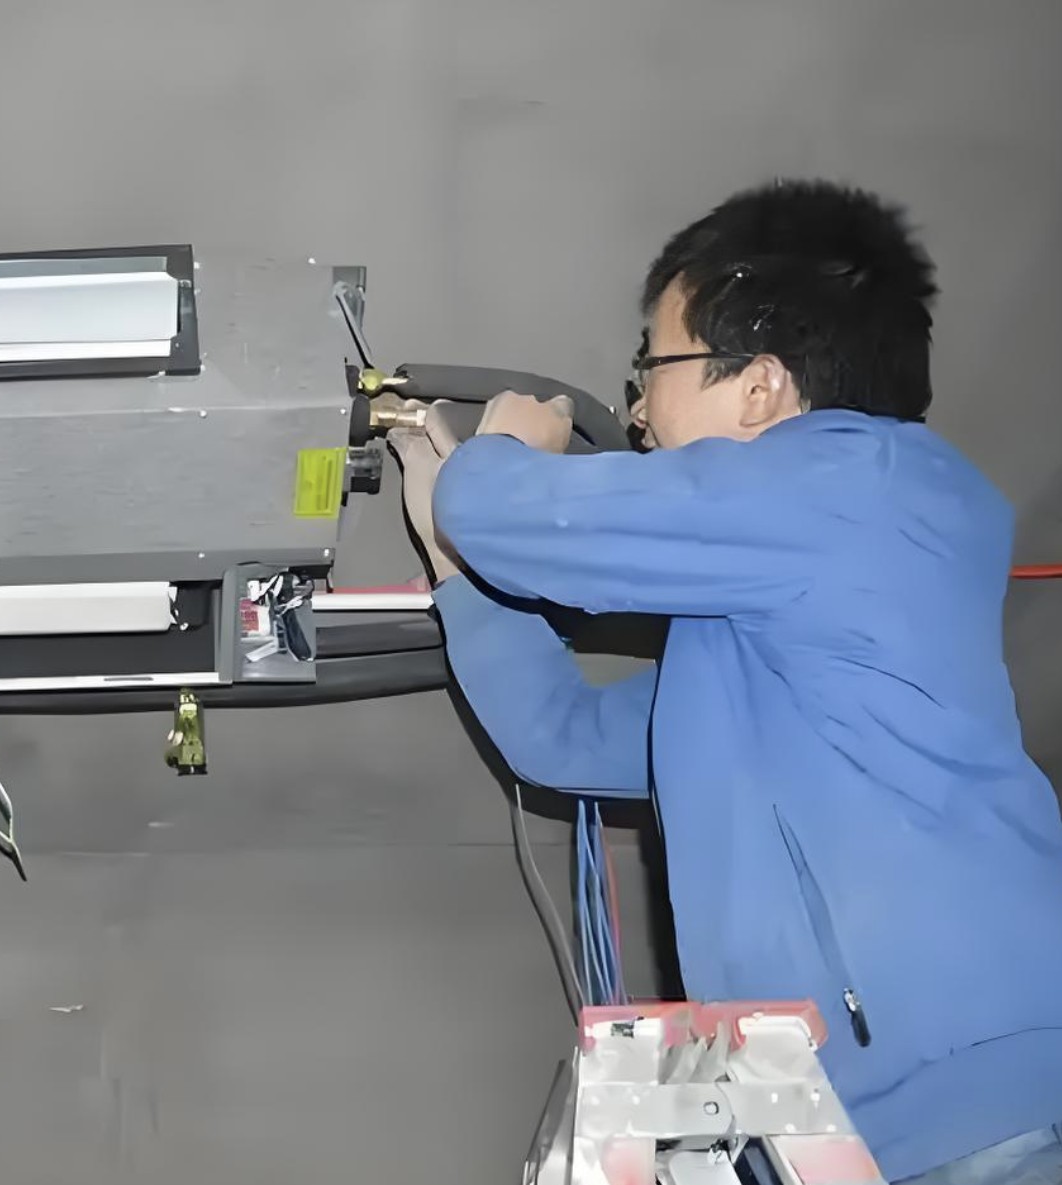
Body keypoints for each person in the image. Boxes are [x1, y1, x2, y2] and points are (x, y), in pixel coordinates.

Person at [392, 179, 1062, 1184]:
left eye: (650, 366)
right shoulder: (759, 634)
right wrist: (453, 561)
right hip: (842, 1134)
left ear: (758, 387)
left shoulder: (864, 482)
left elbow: (519, 520)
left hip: (980, 1114)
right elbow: (560, 736)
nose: (633, 407)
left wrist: (496, 458)